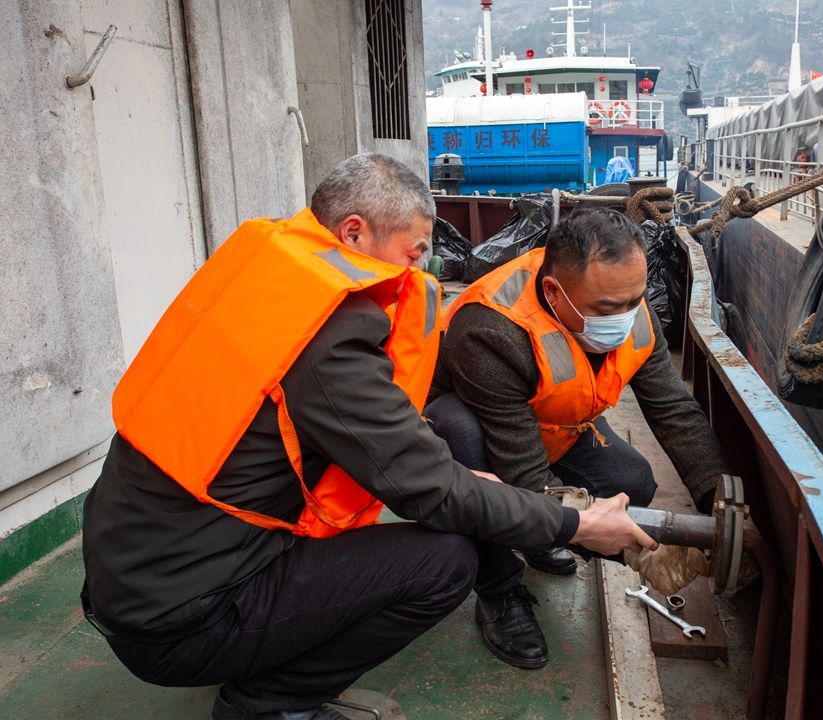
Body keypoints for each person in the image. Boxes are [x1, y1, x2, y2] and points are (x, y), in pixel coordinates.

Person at [80, 154, 655, 720]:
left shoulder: (271, 282)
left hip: (133, 577)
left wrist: (453, 476)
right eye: (414, 252)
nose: (419, 272)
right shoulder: (331, 334)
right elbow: (427, 490)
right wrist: (576, 524)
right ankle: (267, 705)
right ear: (353, 232)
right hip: (182, 620)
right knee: (445, 562)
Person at [425, 207, 731, 670]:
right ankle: (499, 591)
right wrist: (583, 526)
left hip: (557, 425)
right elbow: (520, 467)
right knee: (460, 432)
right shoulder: (492, 329)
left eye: (635, 300)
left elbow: (673, 409)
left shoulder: (626, 306)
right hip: (483, 440)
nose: (625, 317)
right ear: (554, 291)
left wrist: (718, 502)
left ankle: (536, 537)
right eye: (608, 309)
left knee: (634, 483)